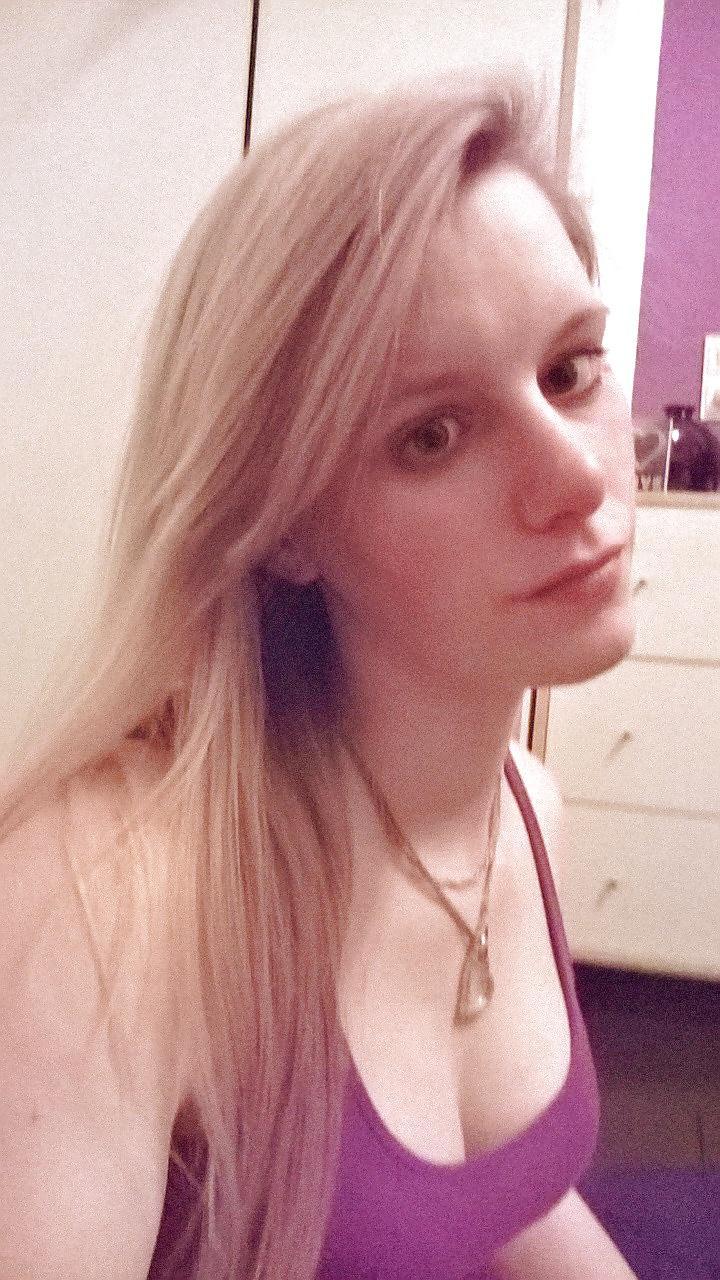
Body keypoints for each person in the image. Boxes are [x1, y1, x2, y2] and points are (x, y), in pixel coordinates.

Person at [0, 70, 640, 1278]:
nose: (576, 477)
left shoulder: (525, 813)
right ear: (285, 523)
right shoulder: (104, 898)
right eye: (431, 433)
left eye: (570, 370)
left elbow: (506, 1194)